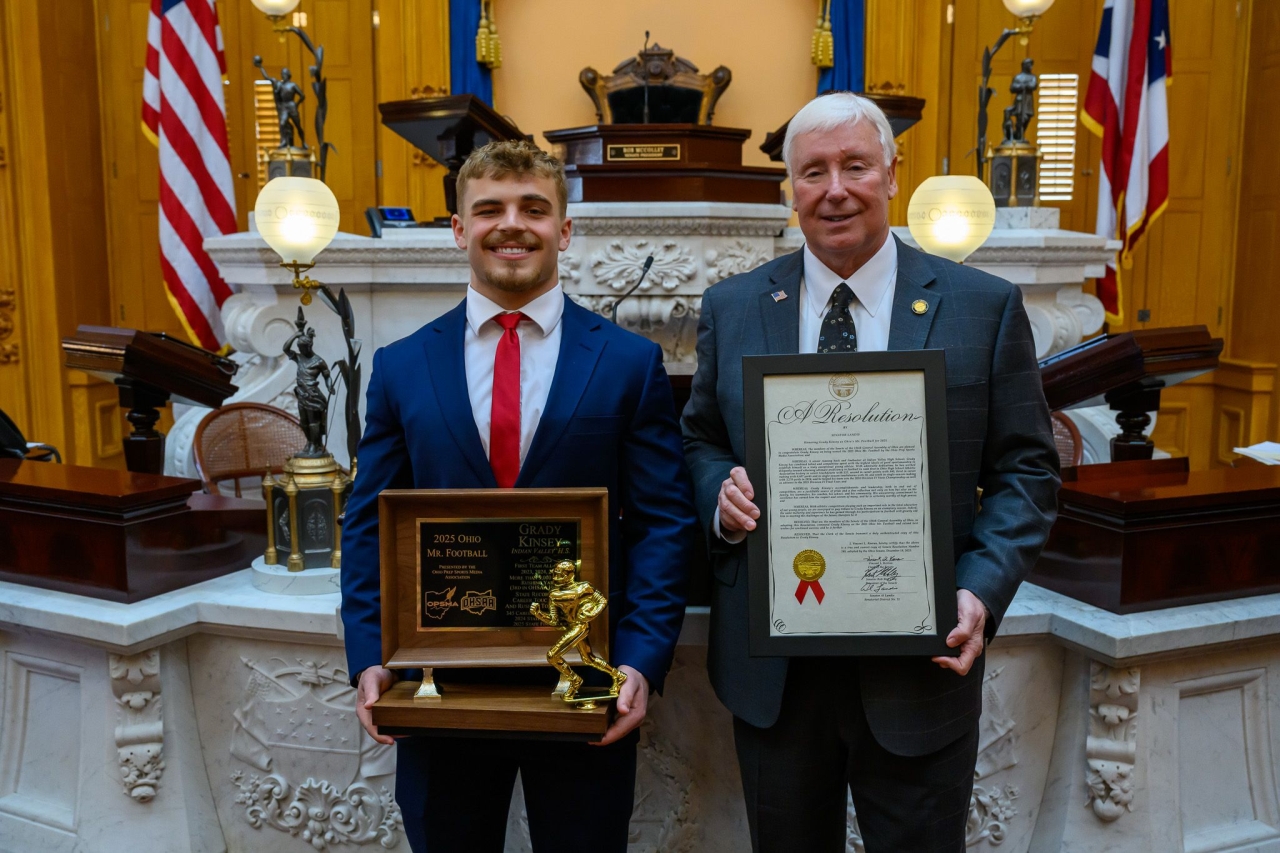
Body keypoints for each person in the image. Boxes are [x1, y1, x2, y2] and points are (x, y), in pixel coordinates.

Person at [680, 92, 1060, 852]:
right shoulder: (734, 306)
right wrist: (720, 495)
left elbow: (1027, 467)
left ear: (892, 173)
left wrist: (980, 589)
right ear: (790, 189)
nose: (835, 189)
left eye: (855, 165)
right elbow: (700, 439)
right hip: (777, 671)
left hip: (919, 666)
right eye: (812, 171)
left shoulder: (981, 308)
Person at [340, 139, 696, 853]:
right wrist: (369, 654)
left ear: (563, 230)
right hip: (437, 682)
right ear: (459, 229)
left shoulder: (629, 363)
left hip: (586, 680)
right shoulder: (402, 366)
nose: (513, 224)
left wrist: (639, 660)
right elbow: (367, 523)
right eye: (490, 209)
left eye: (534, 208)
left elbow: (663, 523)